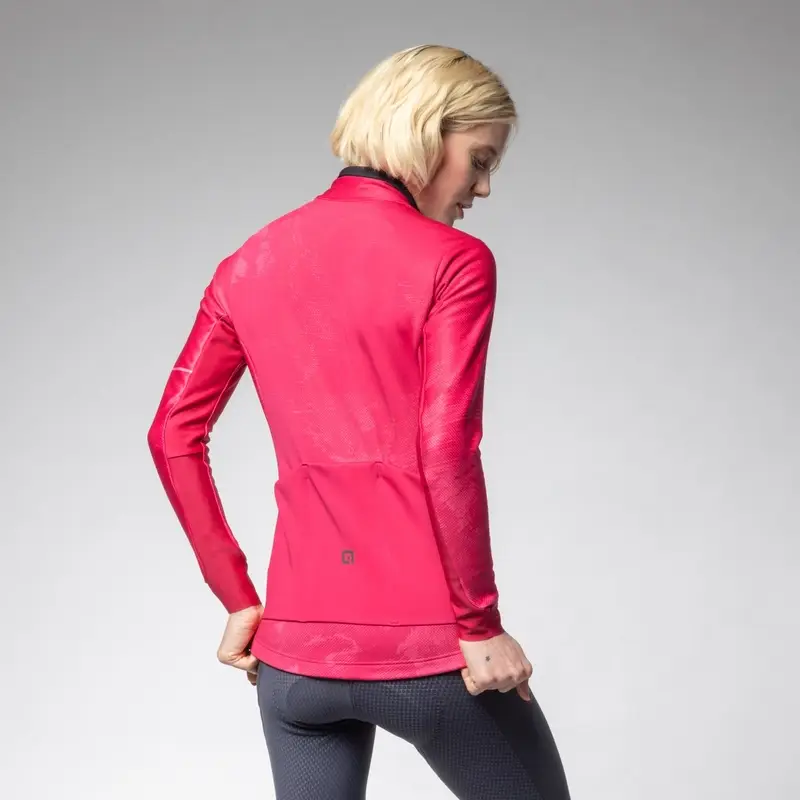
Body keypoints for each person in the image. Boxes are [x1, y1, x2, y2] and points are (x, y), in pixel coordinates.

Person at [147, 44, 572, 800]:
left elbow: (171, 433)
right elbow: (445, 447)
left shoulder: (248, 262)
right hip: (431, 656)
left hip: (292, 661)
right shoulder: (455, 260)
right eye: (479, 160)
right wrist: (479, 625)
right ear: (426, 132)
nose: (482, 187)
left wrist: (239, 598)